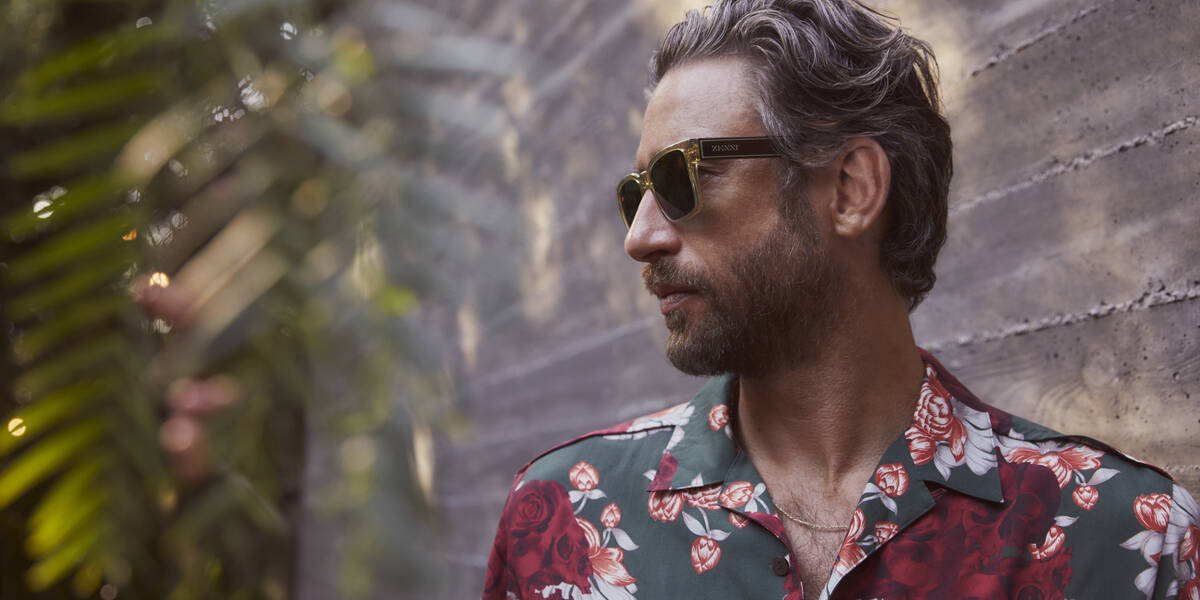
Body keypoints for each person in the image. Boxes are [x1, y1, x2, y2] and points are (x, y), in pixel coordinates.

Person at [482, 1, 1200, 599]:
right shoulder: (563, 522)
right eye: (635, 193)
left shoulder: (1124, 541)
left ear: (852, 189)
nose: (640, 238)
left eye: (681, 176)